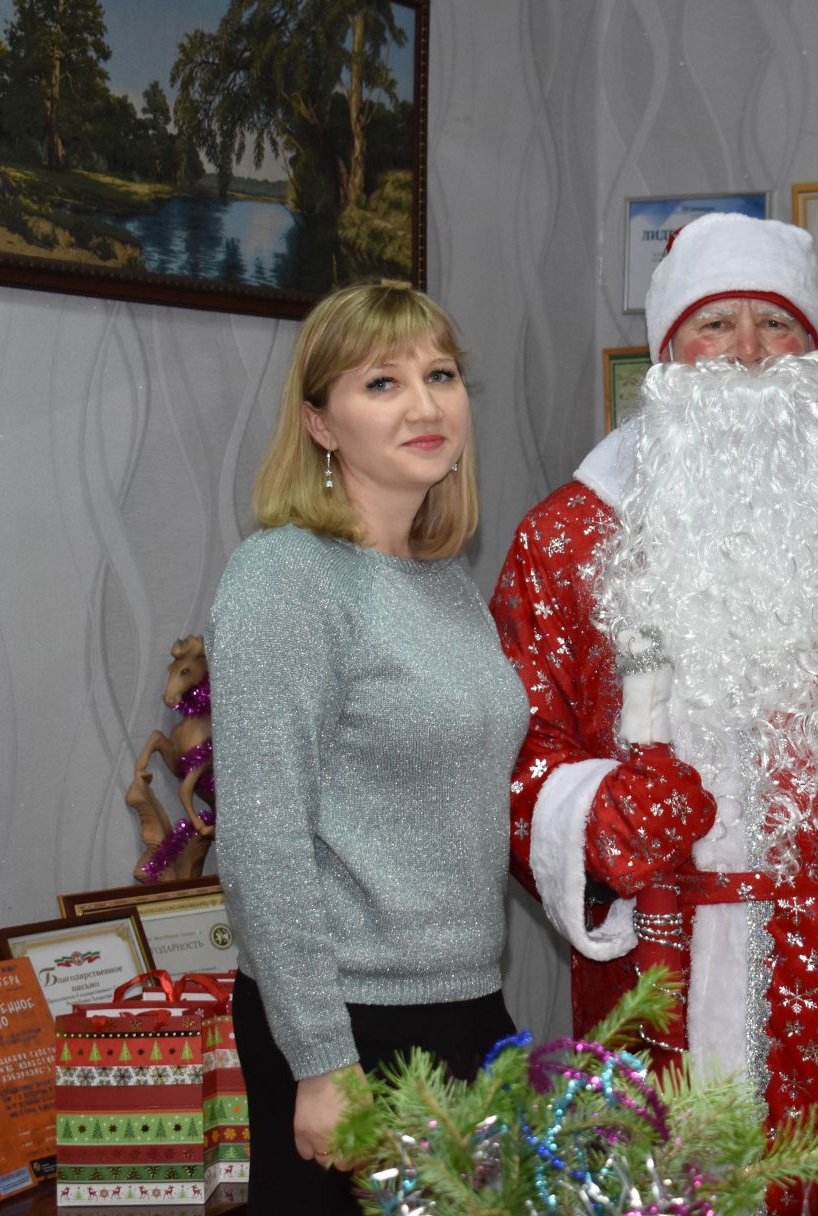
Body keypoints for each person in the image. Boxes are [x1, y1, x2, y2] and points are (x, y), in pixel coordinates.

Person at [488, 213, 818, 1214]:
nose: (750, 354)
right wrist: (597, 811)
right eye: (718, 325)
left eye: (778, 326)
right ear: (667, 351)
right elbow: (509, 747)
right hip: (653, 977)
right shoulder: (569, 538)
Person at [208, 282, 528, 1213]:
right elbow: (264, 840)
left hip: (468, 1003)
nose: (426, 404)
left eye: (441, 374)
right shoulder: (284, 578)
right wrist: (321, 1061)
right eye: (382, 383)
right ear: (320, 423)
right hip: (349, 1026)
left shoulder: (444, 588)